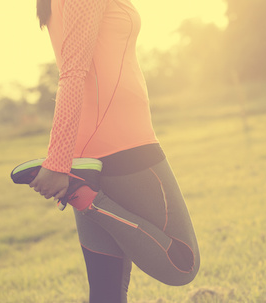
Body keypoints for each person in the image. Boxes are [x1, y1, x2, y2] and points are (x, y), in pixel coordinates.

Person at [31, 0, 200, 302]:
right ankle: (83, 196)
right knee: (181, 264)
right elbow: (72, 72)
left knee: (107, 290)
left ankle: (82, 194)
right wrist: (57, 162)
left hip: (91, 153)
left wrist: (65, 160)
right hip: (123, 144)